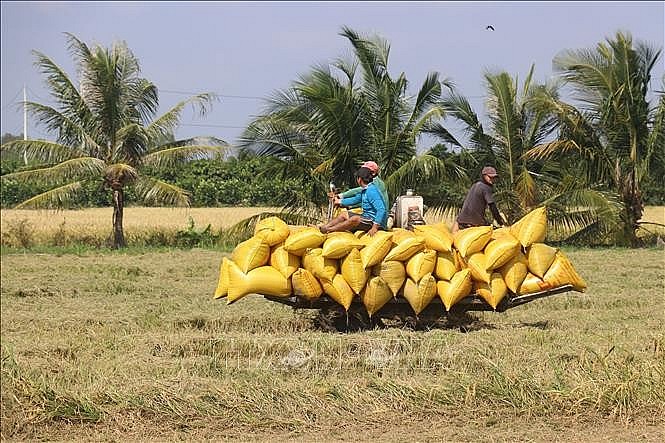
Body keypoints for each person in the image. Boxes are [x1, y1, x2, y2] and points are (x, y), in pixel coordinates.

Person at [318, 166, 387, 236]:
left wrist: (375, 227)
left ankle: (329, 230)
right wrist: (339, 201)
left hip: (375, 222)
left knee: (355, 219)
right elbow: (354, 200)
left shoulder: (371, 191)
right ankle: (325, 227)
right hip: (367, 218)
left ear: (359, 179)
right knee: (344, 214)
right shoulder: (365, 190)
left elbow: (381, 209)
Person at [453, 166, 507, 233]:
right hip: (473, 222)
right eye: (490, 177)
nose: (492, 179)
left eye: (494, 178)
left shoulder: (475, 185)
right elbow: (492, 207)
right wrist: (500, 222)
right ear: (484, 176)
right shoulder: (486, 187)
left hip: (461, 221)